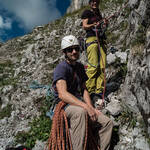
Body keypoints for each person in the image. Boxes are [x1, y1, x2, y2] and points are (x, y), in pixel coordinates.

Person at [51, 35, 113, 150]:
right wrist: (86, 107)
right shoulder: (62, 68)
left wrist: (90, 107)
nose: (74, 52)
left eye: (76, 48)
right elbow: (62, 94)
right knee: (80, 113)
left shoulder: (79, 67)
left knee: (106, 122)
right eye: (70, 49)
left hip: (78, 102)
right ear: (64, 52)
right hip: (64, 105)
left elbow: (84, 89)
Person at [81, 0, 108, 99]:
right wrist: (93, 25)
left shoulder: (99, 15)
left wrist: (105, 24)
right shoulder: (87, 13)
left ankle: (99, 91)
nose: (94, 3)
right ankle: (89, 91)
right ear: (90, 3)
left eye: (96, 1)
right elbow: (84, 26)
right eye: (92, 1)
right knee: (93, 66)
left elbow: (103, 28)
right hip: (92, 39)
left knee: (102, 66)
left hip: (101, 41)